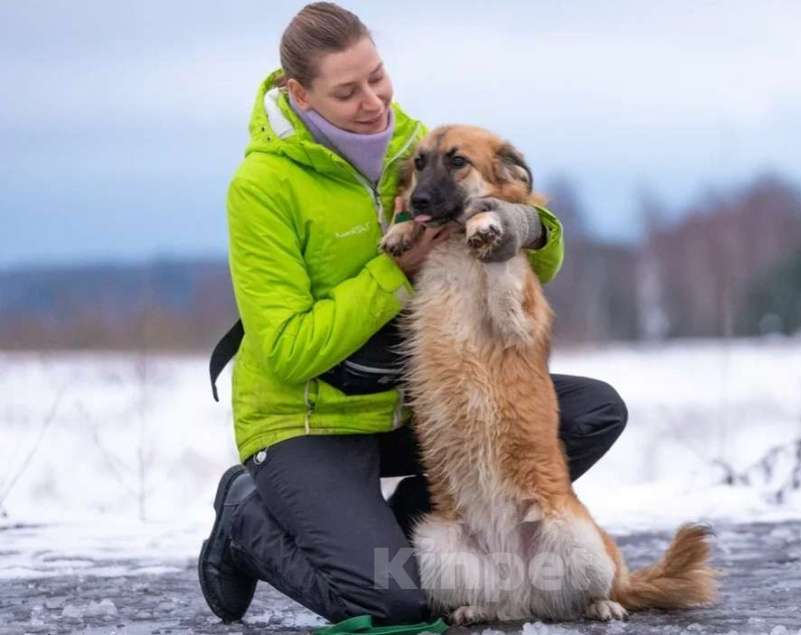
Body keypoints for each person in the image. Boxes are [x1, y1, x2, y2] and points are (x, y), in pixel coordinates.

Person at [197, 2, 628, 626]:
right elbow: (290, 349)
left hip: (412, 406)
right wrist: (392, 275)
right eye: (347, 92)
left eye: (377, 76)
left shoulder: (416, 143)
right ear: (300, 95)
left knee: (593, 411)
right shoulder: (262, 187)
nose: (373, 101)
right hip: (308, 420)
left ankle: (384, 535)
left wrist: (527, 224)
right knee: (397, 600)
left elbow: (535, 250)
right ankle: (245, 520)